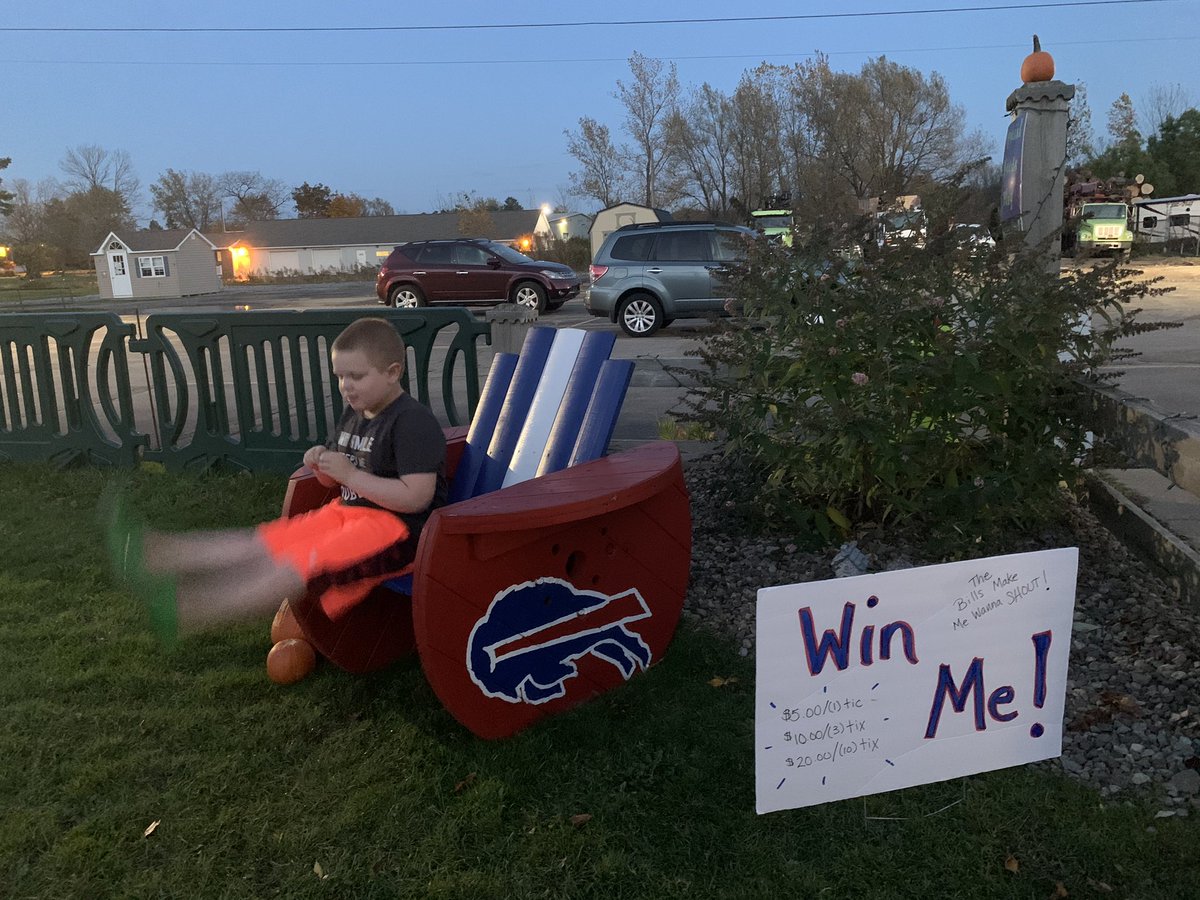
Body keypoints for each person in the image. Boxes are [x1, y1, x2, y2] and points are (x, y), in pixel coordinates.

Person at [103, 316, 447, 643]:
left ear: (393, 372)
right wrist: (323, 467)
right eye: (340, 377)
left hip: (396, 534)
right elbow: (336, 483)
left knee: (297, 563)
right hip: (348, 514)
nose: (346, 387)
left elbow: (416, 498)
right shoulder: (356, 414)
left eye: (356, 376)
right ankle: (159, 553)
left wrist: (351, 475)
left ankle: (188, 609)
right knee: (268, 541)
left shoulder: (413, 423)